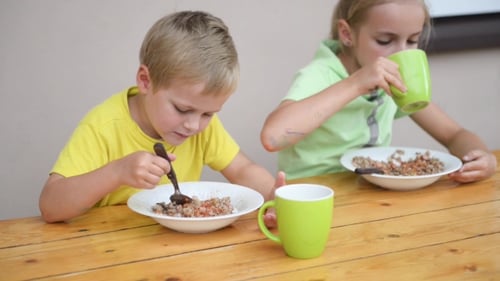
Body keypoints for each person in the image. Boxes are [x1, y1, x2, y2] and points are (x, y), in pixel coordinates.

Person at [39, 11, 285, 224]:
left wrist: (275, 198)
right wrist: (116, 172)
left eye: (208, 114)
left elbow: (242, 169)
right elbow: (51, 206)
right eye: (181, 109)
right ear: (146, 81)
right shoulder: (104, 126)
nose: (193, 125)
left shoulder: (199, 124)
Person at [260, 0, 496, 182]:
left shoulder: (395, 79)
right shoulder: (321, 74)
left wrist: (480, 157)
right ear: (347, 34)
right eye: (385, 41)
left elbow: (454, 134)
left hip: (369, 195)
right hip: (316, 194)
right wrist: (356, 84)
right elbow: (273, 137)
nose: (400, 53)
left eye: (413, 40)